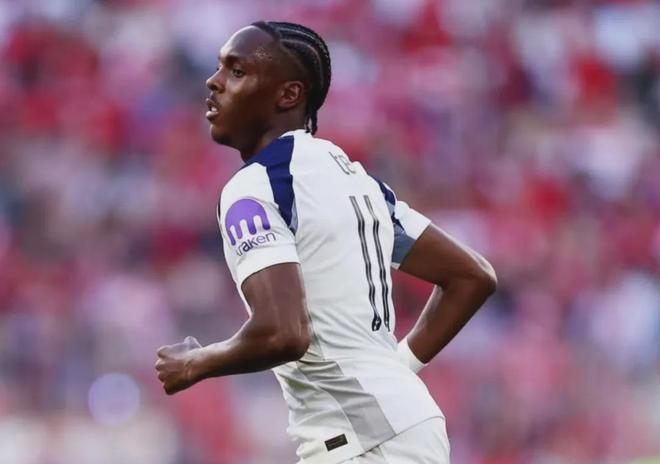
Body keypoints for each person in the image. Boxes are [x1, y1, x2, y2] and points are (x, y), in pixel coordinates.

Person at [155, 21, 497, 463]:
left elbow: (283, 334)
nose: (214, 82)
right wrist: (399, 371)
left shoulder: (256, 187)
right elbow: (471, 277)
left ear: (288, 95)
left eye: (236, 71)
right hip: (401, 427)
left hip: (365, 443)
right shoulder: (358, 182)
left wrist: (196, 362)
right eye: (220, 68)